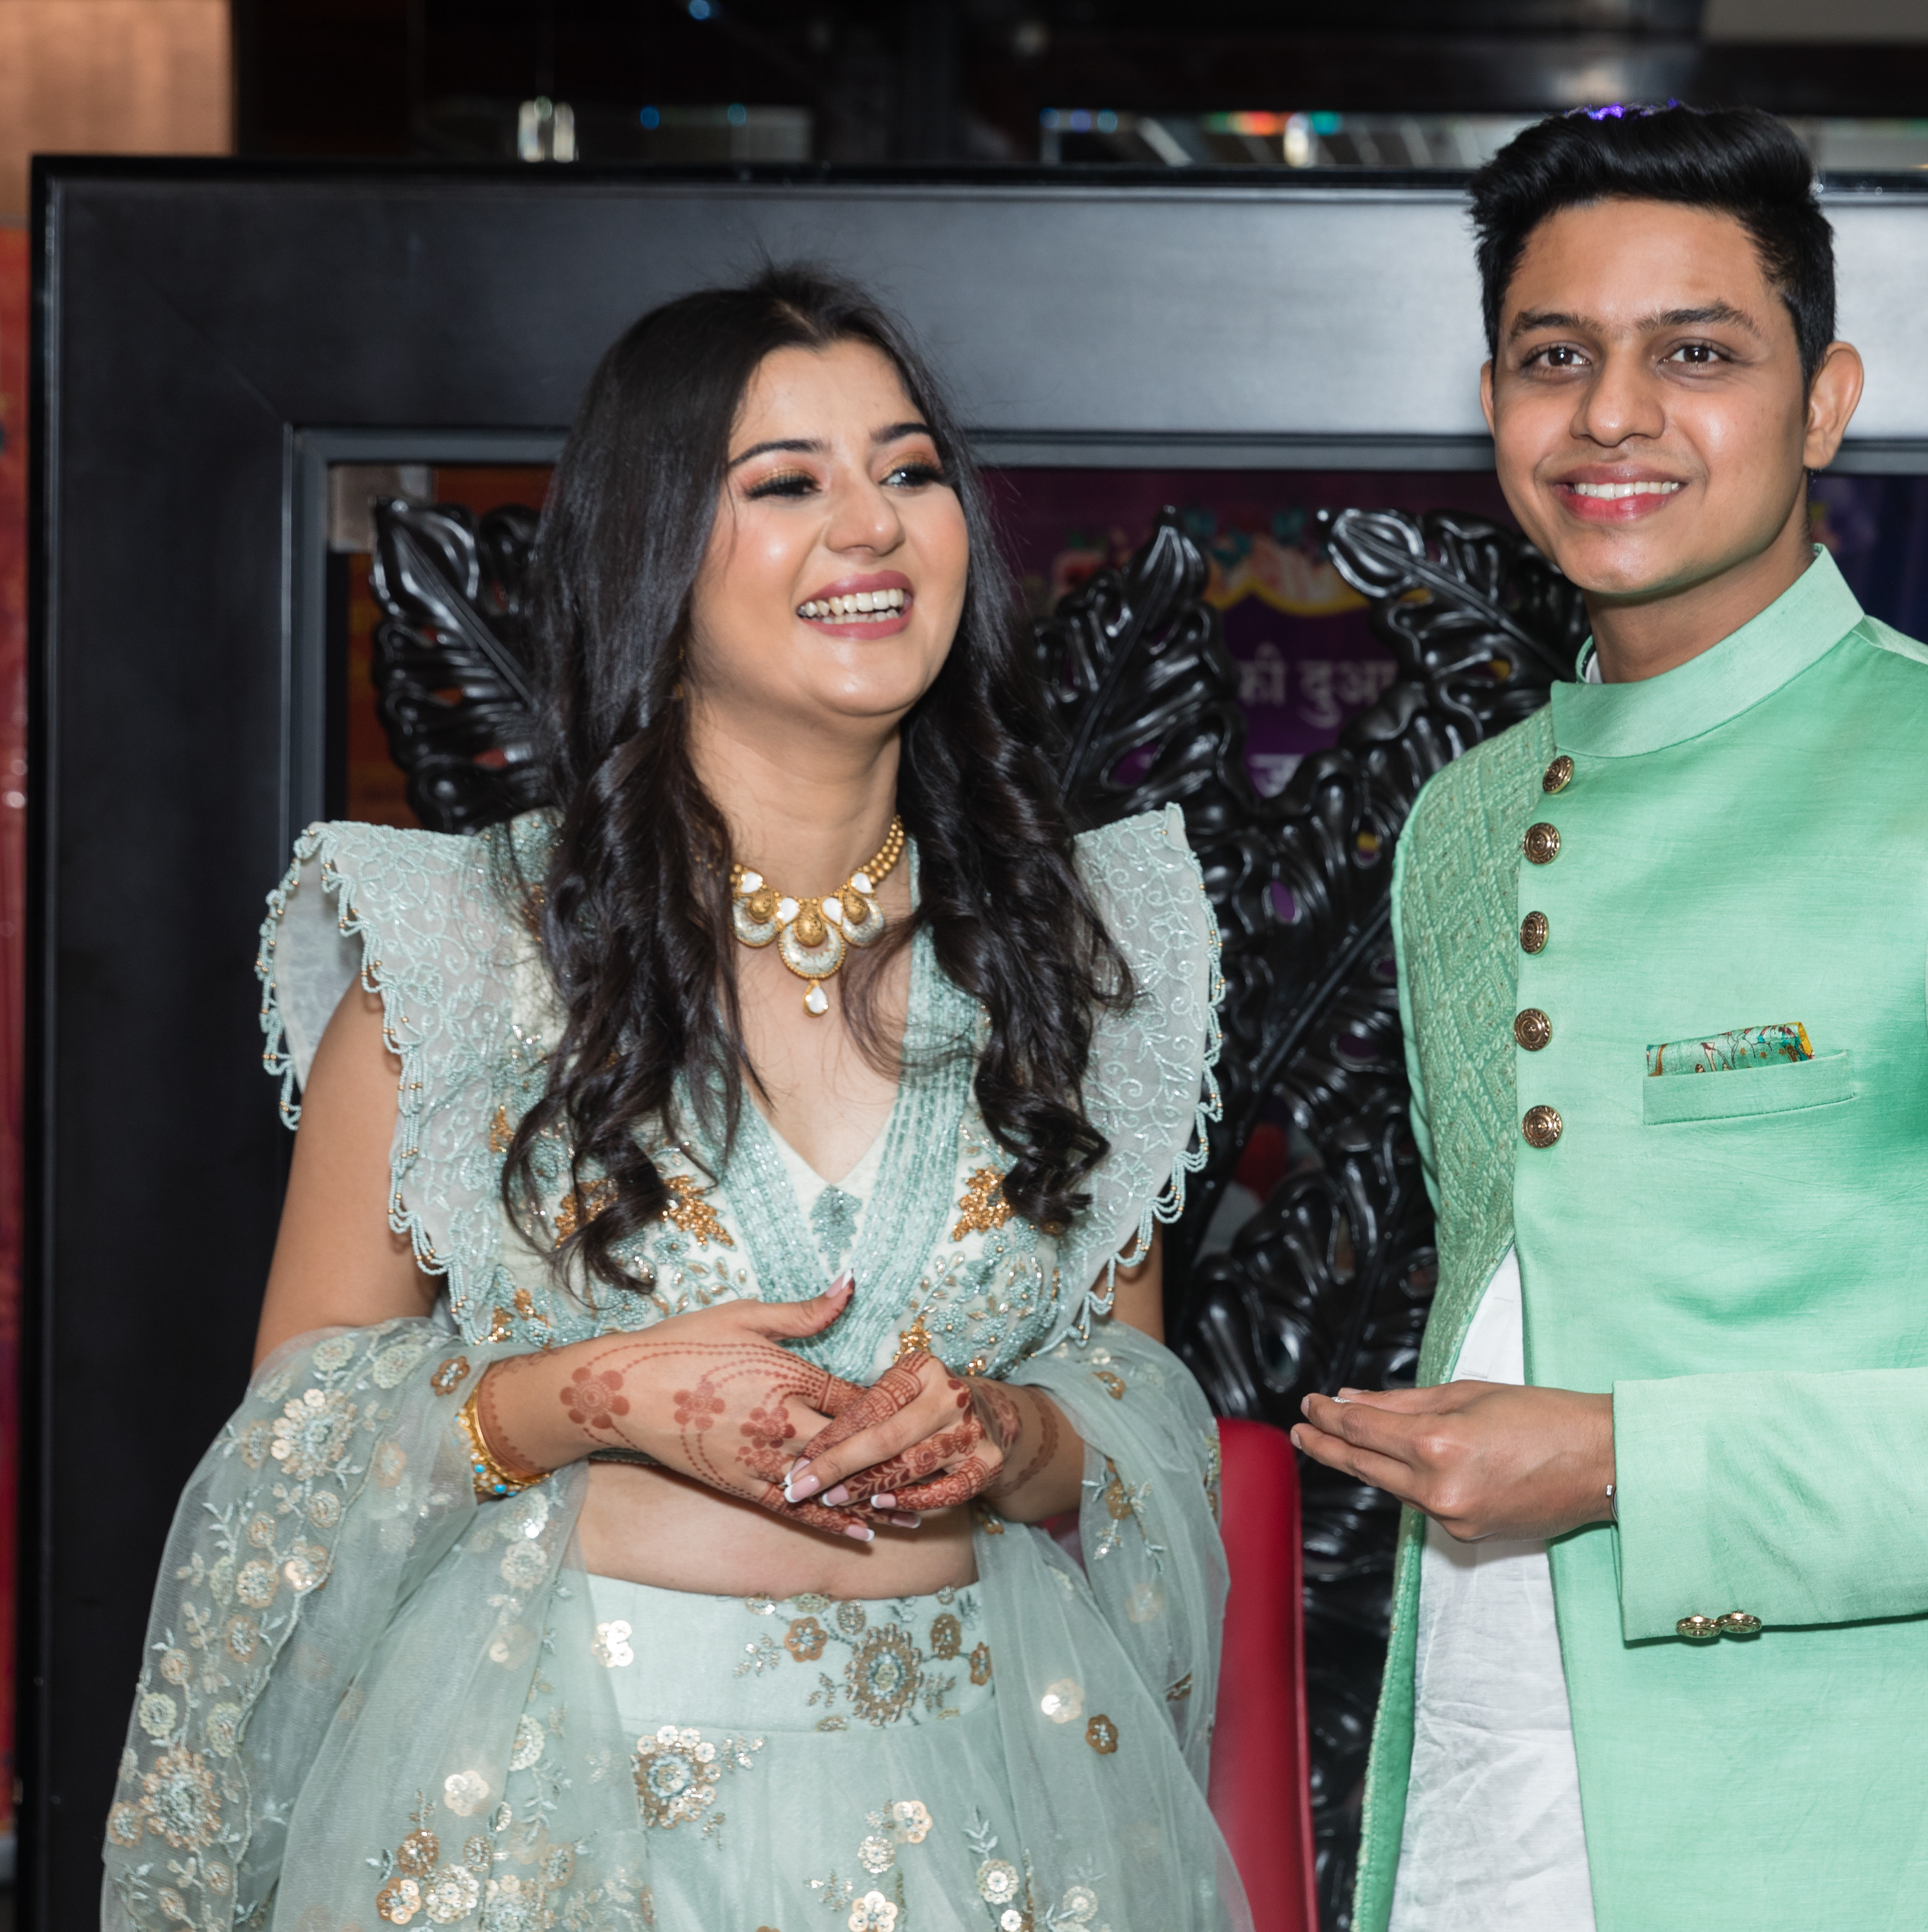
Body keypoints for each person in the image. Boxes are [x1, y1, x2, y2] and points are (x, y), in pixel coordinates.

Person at [106, 268, 1242, 1932]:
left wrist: (1014, 1434)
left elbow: (1131, 1394)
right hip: (550, 1821)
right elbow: (293, 1452)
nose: (872, 524)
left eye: (910, 470)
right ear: (651, 550)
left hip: (988, 1812)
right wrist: (598, 1393)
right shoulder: (468, 951)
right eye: (785, 483)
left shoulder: (1074, 948)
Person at [1290, 105, 1928, 1932]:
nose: (1612, 414)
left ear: (1823, 401)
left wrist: (1624, 1458)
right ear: (1493, 404)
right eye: (1554, 358)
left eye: (1697, 354)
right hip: (1493, 1810)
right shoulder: (1463, 825)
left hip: (1894, 1851)